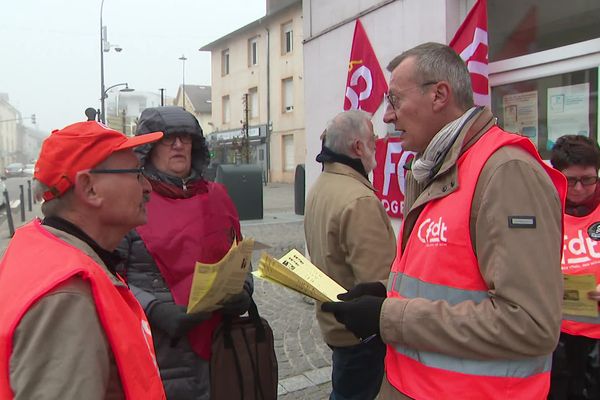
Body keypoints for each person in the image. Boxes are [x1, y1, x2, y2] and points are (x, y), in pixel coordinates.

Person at [321, 42, 567, 399]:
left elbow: (530, 323)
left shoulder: (505, 172)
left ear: (439, 95)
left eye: (394, 100)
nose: (387, 116)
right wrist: (386, 293)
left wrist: (389, 315)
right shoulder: (428, 170)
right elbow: (447, 277)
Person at [0, 121, 166, 399]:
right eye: (137, 174)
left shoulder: (49, 254)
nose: (148, 187)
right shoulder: (67, 297)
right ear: (89, 188)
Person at [117, 106, 253, 400]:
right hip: (161, 348)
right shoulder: (128, 201)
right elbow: (109, 276)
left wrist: (243, 289)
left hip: (220, 343)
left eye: (185, 137)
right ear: (150, 147)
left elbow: (239, 256)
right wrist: (154, 309)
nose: (178, 145)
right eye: (168, 138)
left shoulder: (217, 196)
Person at [304, 109, 396, 400]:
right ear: (358, 147)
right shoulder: (360, 200)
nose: (377, 147)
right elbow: (379, 284)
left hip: (336, 329)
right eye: (374, 140)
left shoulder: (321, 186)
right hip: (363, 338)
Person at [549, 135, 600, 400]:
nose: (579, 188)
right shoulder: (544, 210)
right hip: (556, 337)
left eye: (588, 179)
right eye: (570, 180)